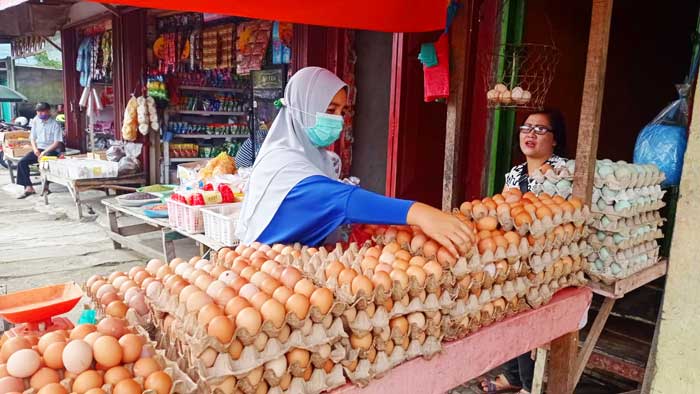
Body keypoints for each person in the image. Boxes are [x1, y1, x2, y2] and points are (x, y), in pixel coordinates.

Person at [236, 67, 471, 256]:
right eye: (329, 109)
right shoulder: (283, 162)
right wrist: (420, 213)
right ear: (301, 108)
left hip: (293, 266)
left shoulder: (313, 155)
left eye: (342, 111)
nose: (337, 120)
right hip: (265, 273)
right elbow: (341, 201)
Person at [481, 109, 568, 394]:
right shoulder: (516, 173)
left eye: (541, 129)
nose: (530, 134)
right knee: (509, 312)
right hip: (517, 255)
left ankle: (529, 385)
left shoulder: (561, 171)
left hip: (546, 258)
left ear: (555, 140)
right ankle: (513, 377)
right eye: (526, 128)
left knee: (531, 319)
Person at [16, 102, 64, 199]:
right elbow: (32, 138)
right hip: (39, 149)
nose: (41, 114)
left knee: (45, 162)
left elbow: (57, 143)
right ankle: (28, 187)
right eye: (39, 112)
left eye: (43, 112)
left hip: (52, 149)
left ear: (48, 111)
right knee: (22, 163)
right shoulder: (35, 121)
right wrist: (35, 150)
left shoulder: (55, 124)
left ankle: (46, 186)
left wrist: (44, 152)